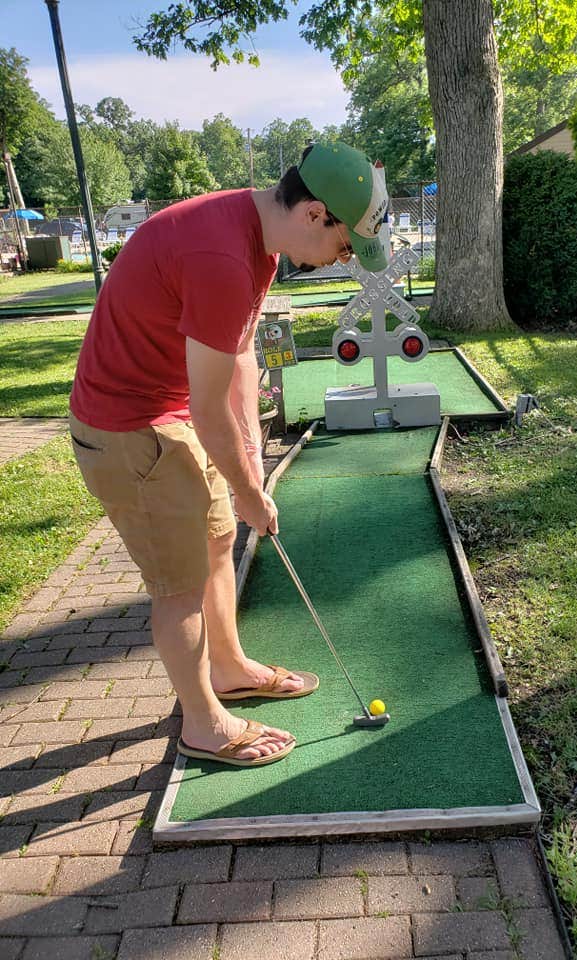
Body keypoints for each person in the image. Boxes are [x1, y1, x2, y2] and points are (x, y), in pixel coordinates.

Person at [69, 142, 389, 767]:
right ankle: (204, 725)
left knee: (218, 539)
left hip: (171, 414)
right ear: (316, 214)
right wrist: (247, 488)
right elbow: (209, 405)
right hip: (128, 430)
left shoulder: (259, 242)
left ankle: (229, 667)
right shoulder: (221, 256)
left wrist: (251, 460)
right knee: (179, 585)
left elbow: (239, 356)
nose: (338, 262)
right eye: (346, 247)